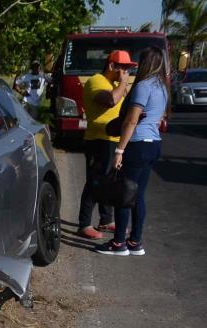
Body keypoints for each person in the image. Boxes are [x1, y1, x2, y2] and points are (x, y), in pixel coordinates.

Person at [96, 47, 168, 256]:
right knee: (139, 195)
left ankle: (119, 243)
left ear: (145, 63)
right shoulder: (162, 87)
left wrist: (120, 150)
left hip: (137, 145)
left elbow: (131, 120)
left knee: (124, 194)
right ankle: (135, 241)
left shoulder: (143, 86)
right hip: (153, 143)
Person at [77, 50, 136, 239]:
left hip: (112, 139)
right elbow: (110, 101)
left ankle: (106, 219)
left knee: (110, 181)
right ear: (111, 66)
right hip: (98, 139)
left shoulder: (114, 84)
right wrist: (124, 84)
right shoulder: (97, 81)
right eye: (123, 68)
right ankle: (84, 223)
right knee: (95, 181)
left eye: (128, 69)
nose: (126, 72)